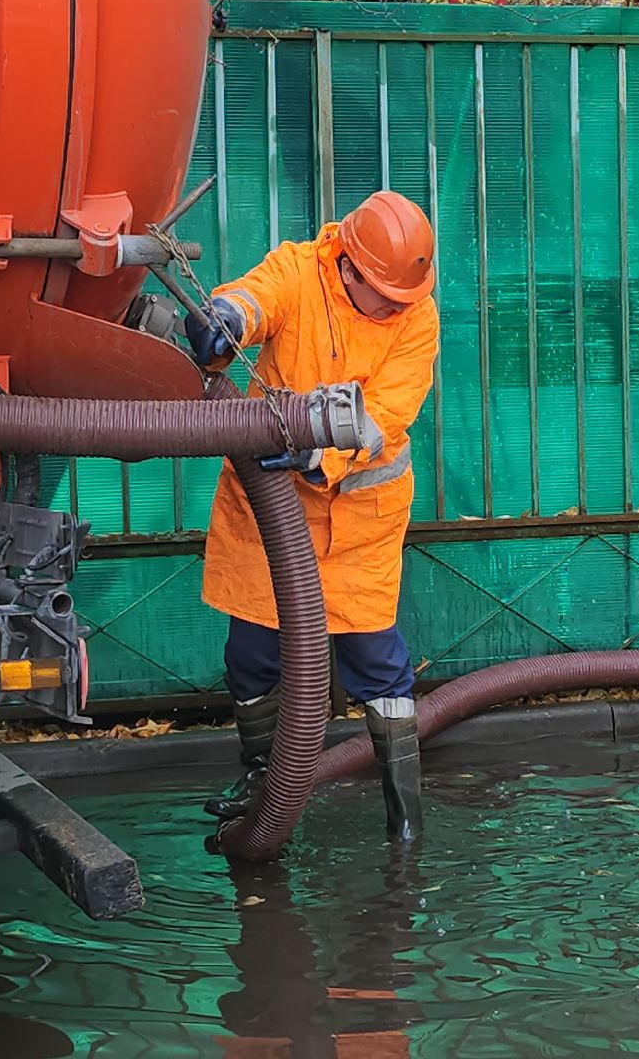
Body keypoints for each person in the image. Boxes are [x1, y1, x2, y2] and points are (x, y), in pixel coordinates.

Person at [181, 190, 439, 842]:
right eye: (384, 292)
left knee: (377, 662)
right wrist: (224, 317)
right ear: (346, 264)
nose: (396, 307)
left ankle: (405, 813)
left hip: (361, 521)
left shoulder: (417, 315)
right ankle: (263, 782)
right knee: (253, 654)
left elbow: (385, 417)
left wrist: (315, 453)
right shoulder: (300, 272)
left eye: (404, 297)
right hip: (268, 516)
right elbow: (254, 297)